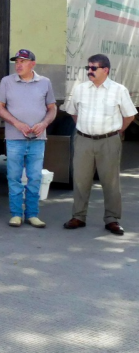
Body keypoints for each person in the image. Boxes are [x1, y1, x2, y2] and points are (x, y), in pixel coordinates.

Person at [63, 54, 137, 235]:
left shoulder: (118, 90)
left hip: (109, 141)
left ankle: (112, 219)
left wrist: (117, 131)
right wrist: (84, 127)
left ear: (105, 70)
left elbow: (129, 116)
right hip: (83, 140)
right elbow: (73, 112)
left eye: (93, 68)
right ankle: (78, 216)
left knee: (110, 182)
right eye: (88, 68)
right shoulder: (81, 89)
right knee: (81, 180)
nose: (89, 71)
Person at [0, 49, 57, 228]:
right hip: (15, 138)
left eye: (23, 61)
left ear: (32, 64)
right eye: (17, 61)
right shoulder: (7, 82)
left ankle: (32, 214)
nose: (19, 64)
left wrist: (44, 124)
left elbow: (52, 108)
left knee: (34, 177)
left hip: (37, 138)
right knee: (13, 177)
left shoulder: (45, 82)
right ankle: (16, 214)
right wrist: (17, 123)